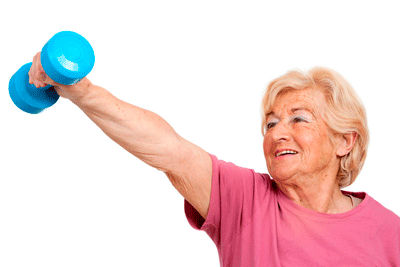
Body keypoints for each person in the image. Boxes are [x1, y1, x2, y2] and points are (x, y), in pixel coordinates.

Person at [29, 52, 400, 266]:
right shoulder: (247, 200)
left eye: (298, 118)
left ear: (345, 142)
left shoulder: (390, 233)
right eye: (270, 123)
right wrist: (82, 92)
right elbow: (168, 150)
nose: (277, 133)